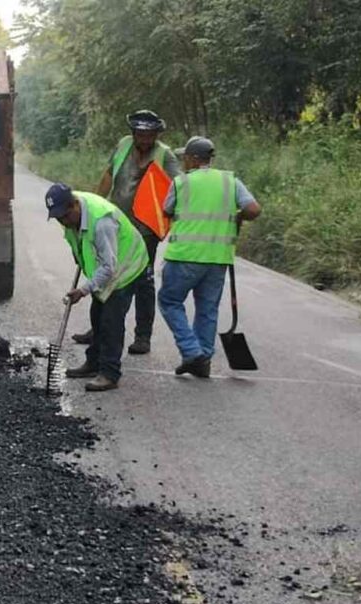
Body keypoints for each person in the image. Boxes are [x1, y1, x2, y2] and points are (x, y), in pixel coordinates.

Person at [73, 110, 181, 354]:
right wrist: (92, 206)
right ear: (133, 133)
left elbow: (179, 187)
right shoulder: (123, 145)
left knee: (143, 281)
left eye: (150, 135)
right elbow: (109, 174)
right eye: (141, 134)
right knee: (105, 272)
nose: (145, 139)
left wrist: (169, 216)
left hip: (145, 230)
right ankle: (99, 329)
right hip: (115, 225)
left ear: (156, 134)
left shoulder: (165, 155)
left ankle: (143, 336)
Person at [158, 136, 262, 377]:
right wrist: (238, 216)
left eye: (185, 157)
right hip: (218, 259)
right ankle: (202, 360)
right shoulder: (230, 181)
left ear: (193, 159)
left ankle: (192, 351)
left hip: (185, 255)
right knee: (207, 309)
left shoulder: (181, 182)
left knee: (169, 301)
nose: (183, 161)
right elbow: (253, 209)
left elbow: (166, 210)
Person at [46, 183, 149, 392]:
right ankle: (93, 363)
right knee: (97, 314)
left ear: (74, 205)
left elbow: (109, 268)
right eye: (58, 218)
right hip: (108, 266)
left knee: (111, 320)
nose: (63, 222)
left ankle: (110, 373)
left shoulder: (102, 222)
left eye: (65, 217)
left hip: (126, 266)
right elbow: (79, 243)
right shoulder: (71, 214)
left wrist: (83, 290)